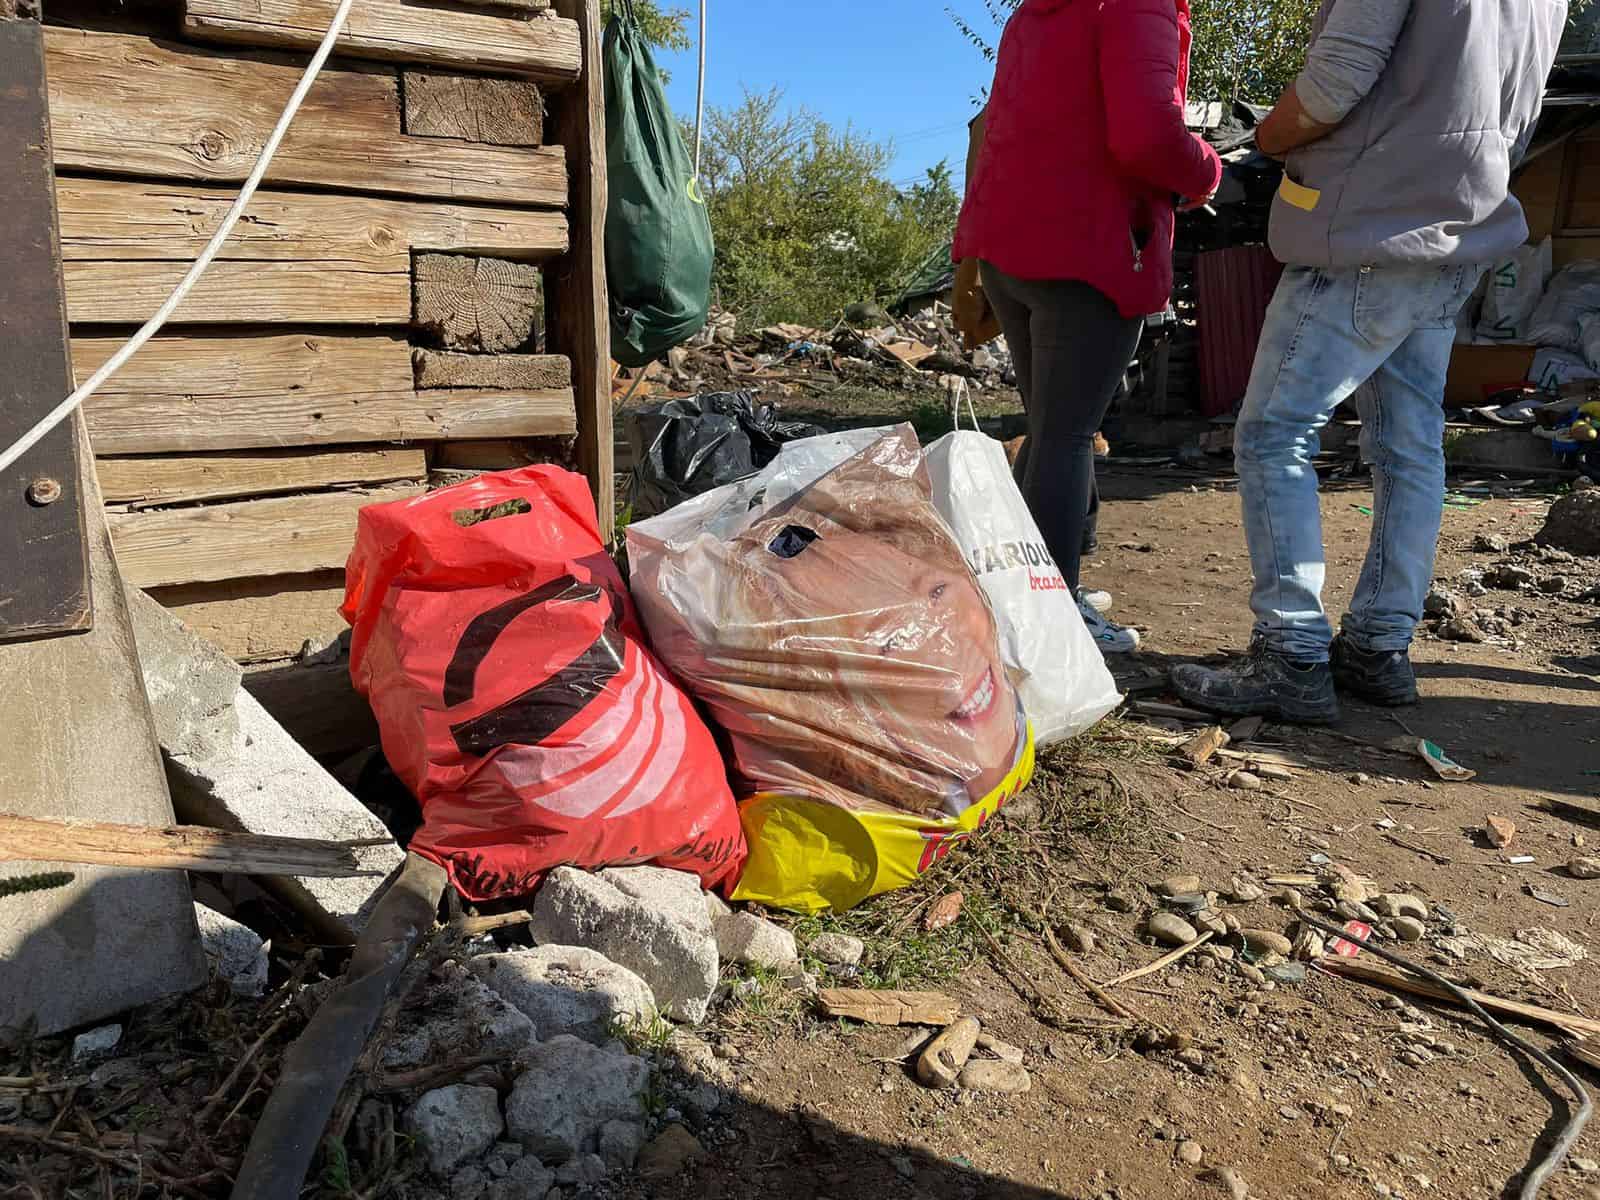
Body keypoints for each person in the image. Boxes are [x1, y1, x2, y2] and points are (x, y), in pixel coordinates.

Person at [1172, 0, 1567, 724]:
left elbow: (1330, 88)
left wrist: (1263, 141)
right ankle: (1379, 647)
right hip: (1463, 227)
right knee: (1409, 444)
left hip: (1367, 226)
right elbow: (1522, 107)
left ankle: (1290, 653)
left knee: (1273, 432)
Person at [952, 0, 1222, 655]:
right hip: (1089, 249)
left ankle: (1030, 587)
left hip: (1010, 248)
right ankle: (1055, 621)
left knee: (1051, 430)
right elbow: (1146, 137)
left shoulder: (1032, 13)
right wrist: (1210, 172)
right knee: (1068, 436)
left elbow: (995, 126)